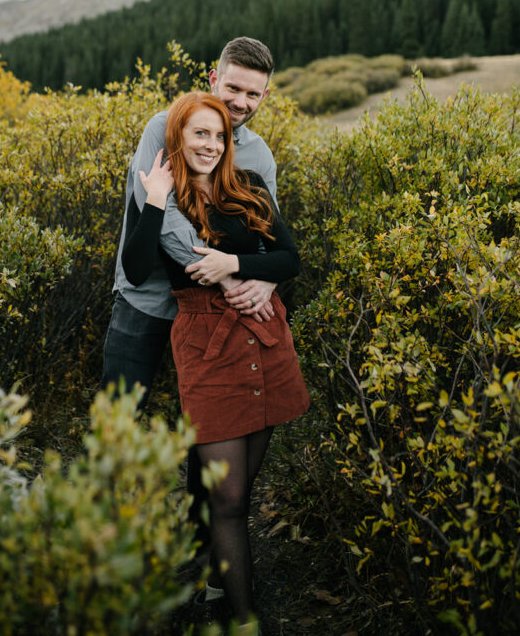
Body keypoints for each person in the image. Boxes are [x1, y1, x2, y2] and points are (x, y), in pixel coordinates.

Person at [121, 91, 310, 632]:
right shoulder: (167, 196)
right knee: (226, 496)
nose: (211, 144)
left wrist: (236, 261)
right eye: (199, 133)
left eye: (219, 136)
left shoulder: (246, 187)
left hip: (265, 336)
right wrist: (152, 200)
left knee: (241, 491)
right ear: (178, 136)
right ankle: (245, 618)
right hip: (205, 344)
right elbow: (136, 270)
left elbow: (289, 257)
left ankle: (218, 582)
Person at [101, 37, 280, 404]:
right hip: (146, 298)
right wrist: (224, 273)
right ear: (214, 79)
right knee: (117, 417)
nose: (241, 102)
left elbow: (269, 234)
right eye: (233, 88)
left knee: (212, 426)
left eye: (252, 94)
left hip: (217, 311)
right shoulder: (163, 128)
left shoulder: (260, 157)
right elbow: (159, 214)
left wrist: (266, 280)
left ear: (265, 95)